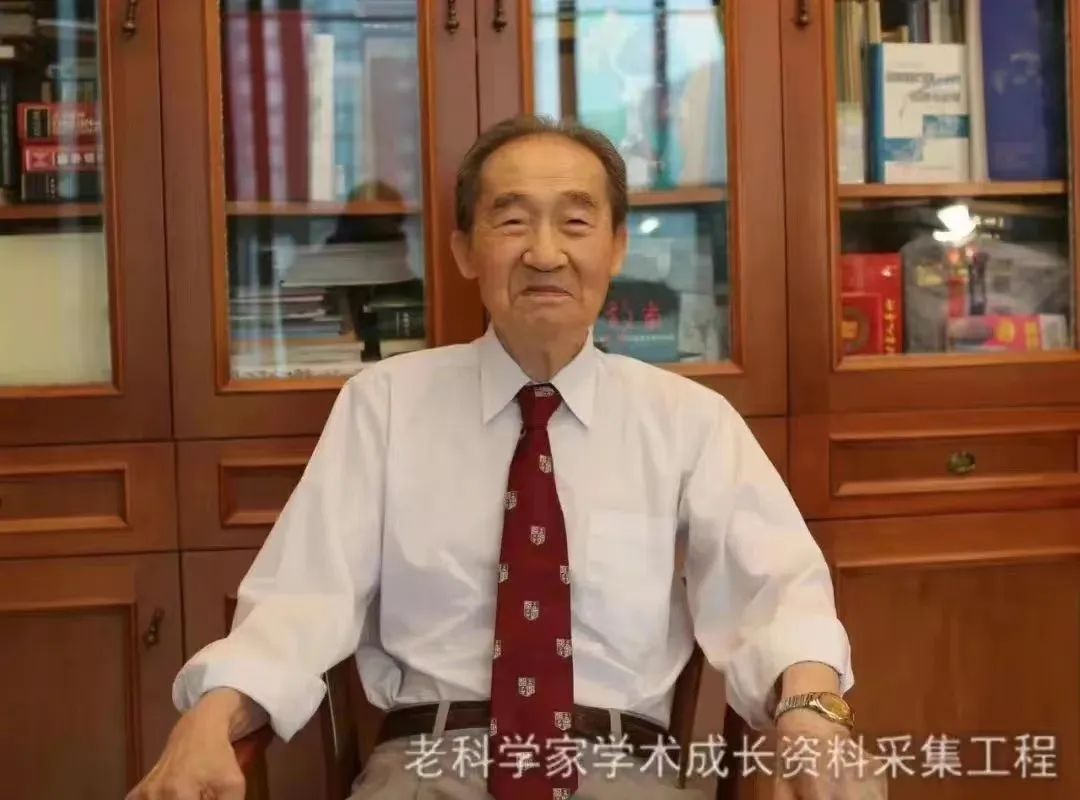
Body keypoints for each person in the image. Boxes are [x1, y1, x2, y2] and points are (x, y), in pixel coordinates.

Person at [130, 115, 880, 800]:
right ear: (464, 249)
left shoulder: (688, 420)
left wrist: (810, 713)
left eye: (576, 222)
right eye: (512, 220)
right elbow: (300, 599)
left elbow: (778, 592)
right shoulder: (383, 404)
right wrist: (210, 717)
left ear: (617, 246)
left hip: (620, 773)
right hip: (425, 769)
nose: (545, 253)